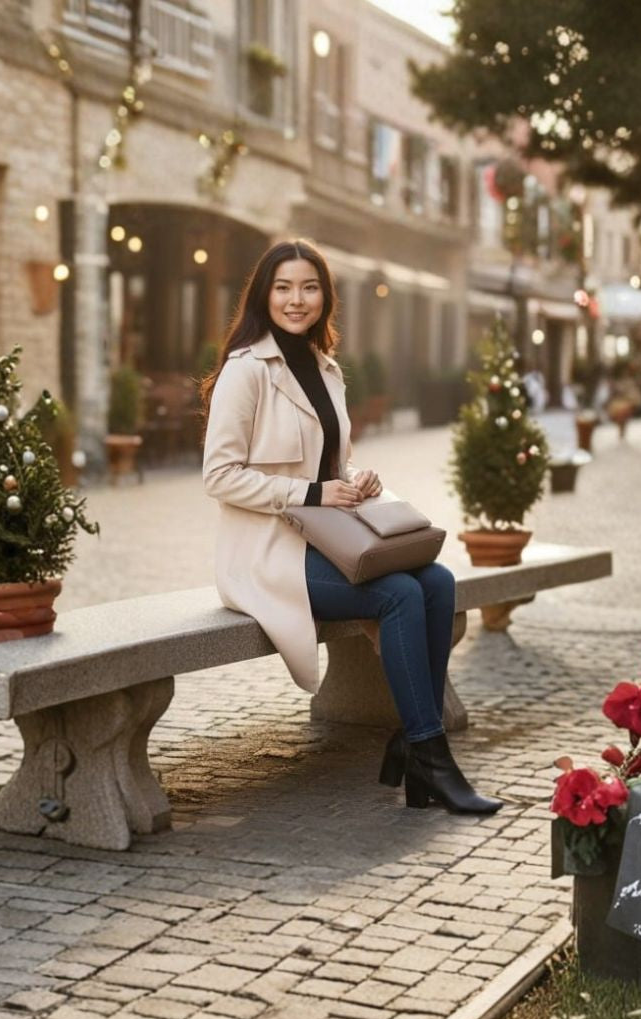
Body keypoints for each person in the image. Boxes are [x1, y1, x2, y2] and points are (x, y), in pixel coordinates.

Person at [200, 239, 501, 814]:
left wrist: (358, 480)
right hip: (266, 553)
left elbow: (333, 463)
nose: (296, 299)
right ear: (265, 294)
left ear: (325, 297)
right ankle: (429, 754)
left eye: (309, 287)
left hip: (326, 539)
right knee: (397, 594)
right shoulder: (247, 370)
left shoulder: (326, 368)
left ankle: (416, 748)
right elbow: (219, 475)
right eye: (283, 287)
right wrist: (311, 493)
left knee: (434, 582)